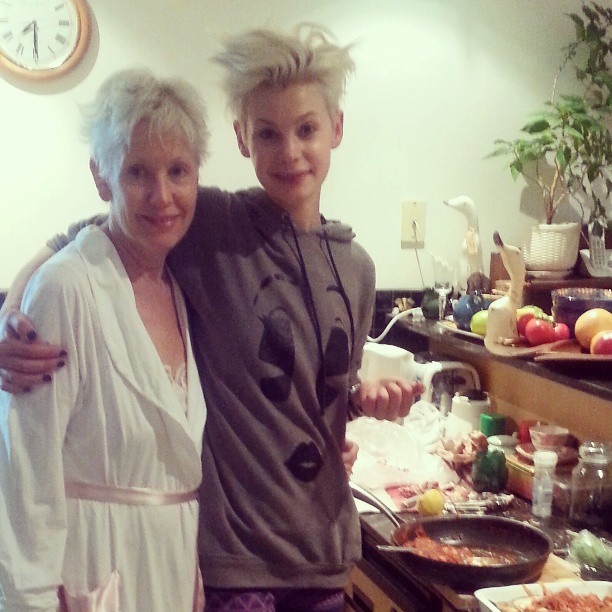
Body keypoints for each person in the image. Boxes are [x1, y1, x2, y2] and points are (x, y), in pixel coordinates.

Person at [0, 25, 422, 611]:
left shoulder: (357, 268)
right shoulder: (214, 226)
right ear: (242, 139)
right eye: (268, 133)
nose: (290, 152)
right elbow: (102, 227)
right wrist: (11, 310)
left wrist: (365, 402)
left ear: (337, 129)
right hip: (235, 559)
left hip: (326, 552)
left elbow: (324, 399)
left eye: (306, 129)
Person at [0, 69, 209, 611]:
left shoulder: (178, 287)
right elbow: (25, 470)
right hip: (91, 570)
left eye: (178, 171)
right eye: (137, 171)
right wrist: (29, 601)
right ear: (101, 176)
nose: (162, 195)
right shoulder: (67, 287)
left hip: (170, 573)